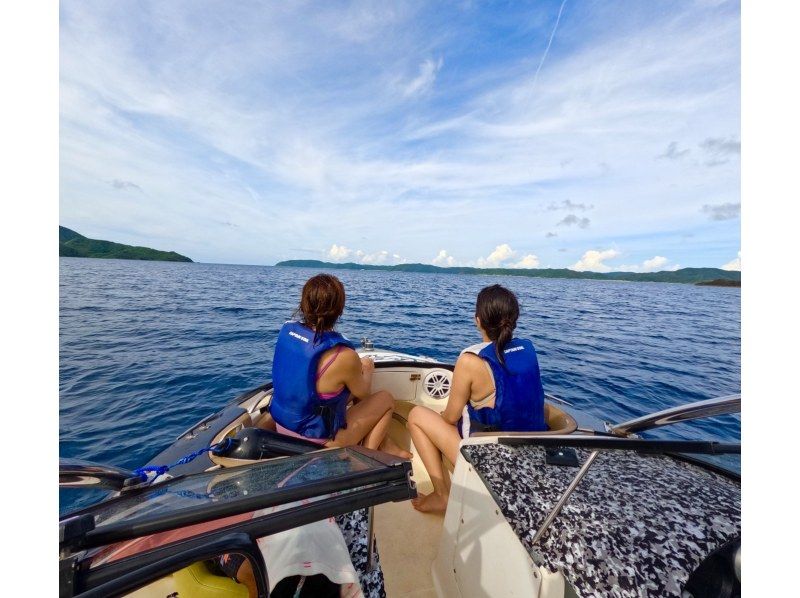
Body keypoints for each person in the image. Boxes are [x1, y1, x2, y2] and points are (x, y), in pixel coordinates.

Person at [407, 284, 547, 514]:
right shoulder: (528, 349)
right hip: (531, 453)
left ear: (478, 321)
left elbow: (451, 417)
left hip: (491, 460)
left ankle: (443, 495)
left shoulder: (470, 361)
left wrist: (442, 416)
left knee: (416, 415)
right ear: (514, 319)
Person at [270, 273, 410, 458]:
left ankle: (386, 445)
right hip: (317, 442)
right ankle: (366, 458)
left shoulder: (287, 333)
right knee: (384, 399)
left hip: (282, 425)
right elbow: (363, 393)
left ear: (303, 304)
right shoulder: (343, 356)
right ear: (340, 310)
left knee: (337, 393)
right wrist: (367, 368)